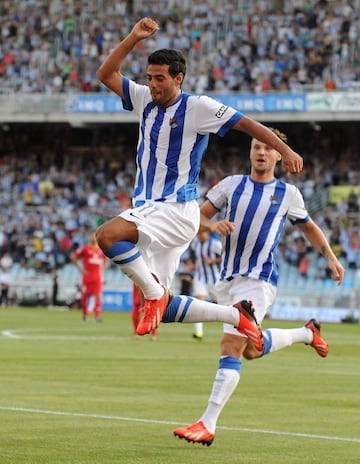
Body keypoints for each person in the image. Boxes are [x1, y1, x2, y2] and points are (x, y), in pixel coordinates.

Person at [95, 17, 303, 338]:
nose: (152, 84)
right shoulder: (142, 100)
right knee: (164, 312)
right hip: (156, 211)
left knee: (107, 236)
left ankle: (154, 294)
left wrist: (284, 150)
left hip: (174, 208)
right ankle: (237, 316)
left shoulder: (198, 107)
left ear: (178, 78)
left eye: (160, 79)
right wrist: (133, 38)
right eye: (149, 77)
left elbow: (248, 125)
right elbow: (105, 74)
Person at [172, 128, 345, 446]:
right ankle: (307, 333)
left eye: (268, 148)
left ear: (279, 154)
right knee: (251, 350)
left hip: (258, 281)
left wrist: (331, 257)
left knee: (230, 347)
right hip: (226, 281)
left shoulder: (287, 194)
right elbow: (194, 220)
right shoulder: (231, 185)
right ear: (250, 151)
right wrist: (212, 225)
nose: (261, 152)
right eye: (256, 146)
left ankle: (207, 423)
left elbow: (309, 227)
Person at [190, 230, 222, 340]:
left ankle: (236, 328)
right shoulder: (195, 243)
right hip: (200, 277)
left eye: (201, 233)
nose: (199, 236)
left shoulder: (215, 244)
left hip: (214, 278)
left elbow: (225, 257)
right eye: (198, 234)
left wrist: (213, 261)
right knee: (199, 302)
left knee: (224, 303)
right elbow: (193, 255)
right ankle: (198, 332)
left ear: (207, 233)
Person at [71, 232, 109, 321]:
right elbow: (73, 258)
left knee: (98, 296)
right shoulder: (85, 248)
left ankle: (97, 316)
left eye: (95, 236)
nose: (94, 238)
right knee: (85, 296)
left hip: (97, 277)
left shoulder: (101, 250)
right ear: (89, 237)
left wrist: (103, 270)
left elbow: (107, 260)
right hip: (87, 276)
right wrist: (80, 269)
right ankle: (85, 314)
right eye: (92, 236)